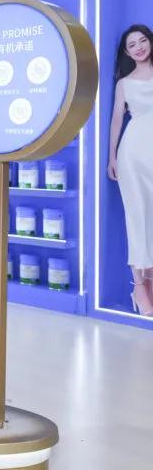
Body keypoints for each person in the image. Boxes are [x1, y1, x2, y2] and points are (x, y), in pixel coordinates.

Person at [108, 24, 153, 316]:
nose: (139, 47)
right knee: (137, 217)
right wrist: (112, 157)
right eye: (132, 45)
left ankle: (150, 282)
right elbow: (116, 120)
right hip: (133, 154)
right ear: (126, 52)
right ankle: (139, 287)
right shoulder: (124, 83)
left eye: (142, 41)